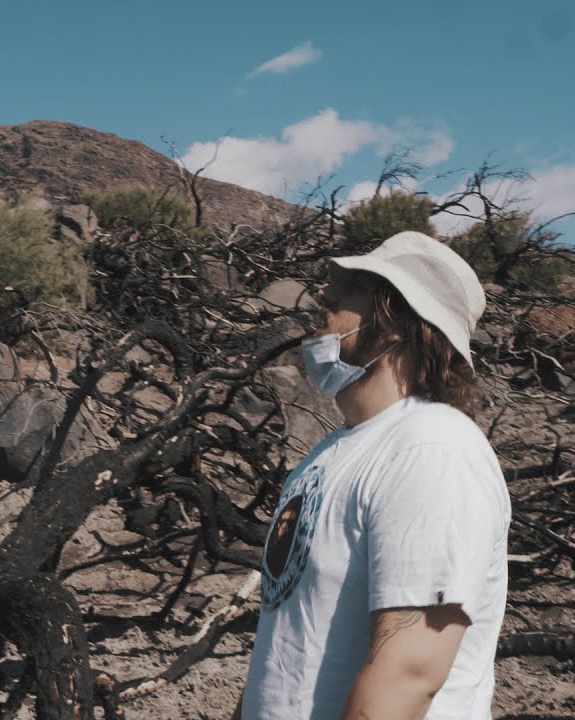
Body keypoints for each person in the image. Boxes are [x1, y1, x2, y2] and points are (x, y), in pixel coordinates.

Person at [232, 231, 511, 719]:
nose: (325, 295)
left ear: (397, 321)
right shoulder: (331, 451)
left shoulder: (432, 450)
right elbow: (282, 647)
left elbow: (407, 676)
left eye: (354, 287)